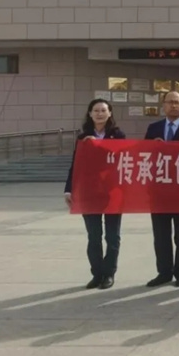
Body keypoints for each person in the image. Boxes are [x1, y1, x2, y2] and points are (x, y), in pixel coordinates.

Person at [64, 98, 126, 290]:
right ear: (90, 114)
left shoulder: (118, 135)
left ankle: (109, 273)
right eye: (96, 110)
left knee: (112, 236)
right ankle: (97, 274)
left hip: (112, 192)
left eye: (103, 110)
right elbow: (76, 165)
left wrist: (98, 145)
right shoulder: (83, 137)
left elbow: (123, 160)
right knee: (94, 236)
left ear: (110, 113)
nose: (100, 114)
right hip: (89, 192)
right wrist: (69, 189)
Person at [144, 91, 179, 287]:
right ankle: (164, 272)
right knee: (161, 235)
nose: (174, 105)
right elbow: (143, 156)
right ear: (163, 105)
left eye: (177, 102)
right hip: (158, 191)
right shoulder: (153, 129)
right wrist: (152, 147)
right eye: (170, 102)